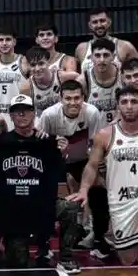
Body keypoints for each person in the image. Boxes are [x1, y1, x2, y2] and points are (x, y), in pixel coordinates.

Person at [69, 86, 138, 276]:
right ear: (117, 107)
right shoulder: (105, 134)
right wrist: (84, 190)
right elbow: (92, 166)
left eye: (134, 102)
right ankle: (130, 234)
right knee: (128, 259)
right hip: (120, 198)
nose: (129, 106)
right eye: (124, 102)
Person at [0, 95, 78, 271]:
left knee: (69, 208)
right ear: (11, 116)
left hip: (41, 205)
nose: (22, 114)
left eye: (26, 110)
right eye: (17, 111)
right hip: (15, 210)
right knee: (18, 265)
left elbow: (58, 173)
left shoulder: (46, 141)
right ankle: (19, 240)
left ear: (34, 113)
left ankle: (64, 257)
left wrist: (62, 153)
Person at [37, 79, 108, 253]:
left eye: (77, 98)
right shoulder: (49, 115)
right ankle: (43, 236)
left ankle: (97, 235)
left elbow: (95, 147)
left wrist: (91, 171)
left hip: (83, 159)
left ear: (83, 98)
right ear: (60, 99)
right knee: (40, 189)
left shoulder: (92, 113)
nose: (73, 102)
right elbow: (40, 147)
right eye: (68, 98)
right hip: (55, 160)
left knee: (98, 187)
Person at [84, 37, 122, 125]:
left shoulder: (124, 77)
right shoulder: (84, 80)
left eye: (106, 55)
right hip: (94, 131)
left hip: (120, 130)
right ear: (91, 57)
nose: (101, 60)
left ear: (113, 57)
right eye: (97, 55)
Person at [0, 27, 24, 117]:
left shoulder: (24, 61)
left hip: (18, 115)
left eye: (8, 39)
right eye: (1, 40)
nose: (4, 43)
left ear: (14, 42)